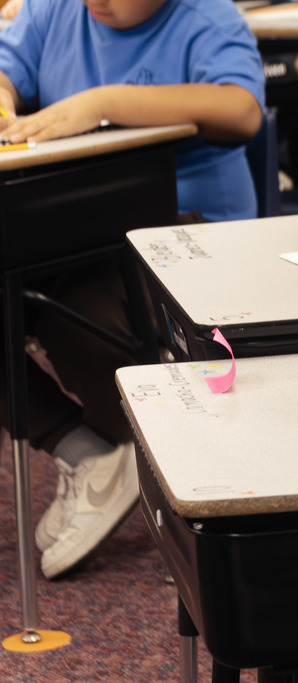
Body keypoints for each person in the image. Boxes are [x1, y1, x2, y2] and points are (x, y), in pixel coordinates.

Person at [0, 0, 264, 579]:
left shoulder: (205, 17)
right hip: (72, 227)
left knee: (80, 312)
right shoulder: (54, 12)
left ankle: (135, 449)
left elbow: (243, 109)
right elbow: (5, 67)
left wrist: (102, 103)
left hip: (186, 234)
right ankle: (91, 452)